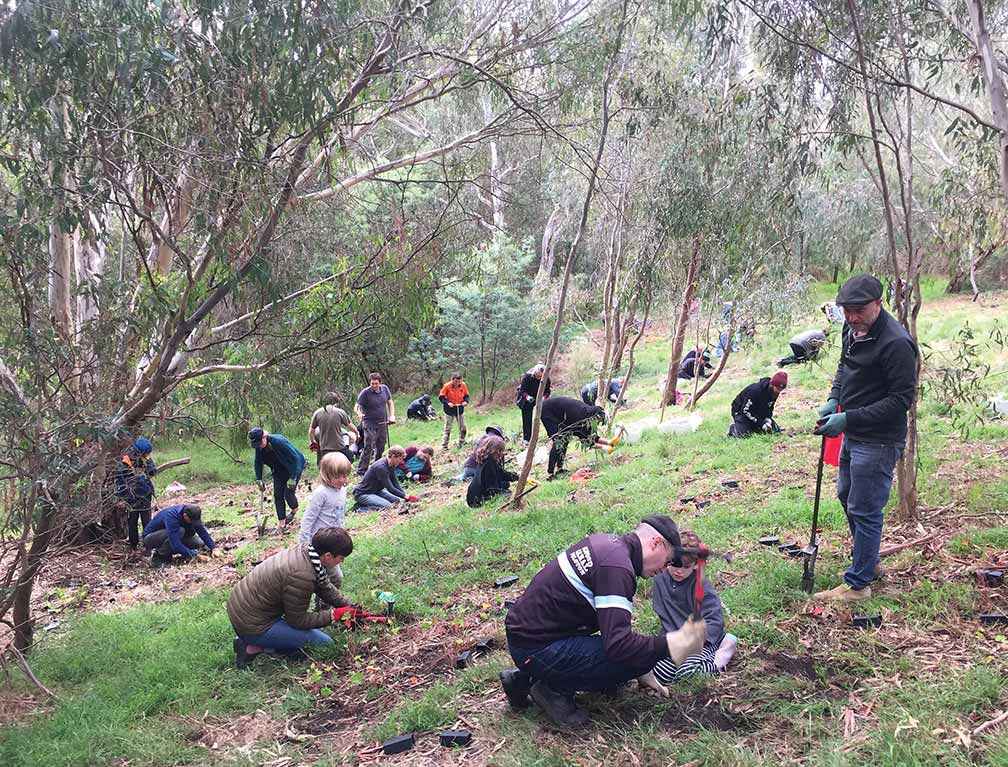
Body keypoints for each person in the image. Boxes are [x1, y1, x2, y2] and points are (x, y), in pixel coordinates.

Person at [499, 515, 706, 729]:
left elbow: (611, 627)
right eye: (668, 560)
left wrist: (641, 669)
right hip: (536, 647)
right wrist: (672, 645)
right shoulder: (617, 568)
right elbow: (619, 646)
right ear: (656, 543)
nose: (665, 568)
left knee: (633, 658)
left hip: (531, 639)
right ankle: (552, 689)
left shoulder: (607, 545)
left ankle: (523, 679)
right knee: (635, 656)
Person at [813, 274, 918, 603]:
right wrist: (834, 397)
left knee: (865, 507)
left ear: (878, 304)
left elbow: (901, 401)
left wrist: (848, 417)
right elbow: (844, 368)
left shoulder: (896, 343)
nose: (852, 317)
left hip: (879, 438)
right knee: (846, 495)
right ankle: (868, 561)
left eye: (858, 311)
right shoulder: (852, 328)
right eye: (847, 310)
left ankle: (858, 585)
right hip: (854, 431)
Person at [228, 527, 352, 669]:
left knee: (310, 639)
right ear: (328, 556)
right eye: (341, 558)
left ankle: (261, 642)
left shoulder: (308, 552)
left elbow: (324, 586)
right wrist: (333, 615)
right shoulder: (301, 575)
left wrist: (348, 605)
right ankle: (251, 645)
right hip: (252, 625)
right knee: (324, 644)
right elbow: (297, 620)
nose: (341, 562)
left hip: (248, 611)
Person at [646, 531, 737, 689]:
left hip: (701, 640)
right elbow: (664, 615)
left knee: (688, 672)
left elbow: (714, 620)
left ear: (696, 564)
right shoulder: (660, 579)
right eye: (674, 564)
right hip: (673, 639)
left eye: (686, 566)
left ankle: (724, 650)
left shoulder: (701, 587)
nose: (678, 571)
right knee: (658, 673)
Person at [299, 452, 352, 601]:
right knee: (331, 577)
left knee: (329, 577)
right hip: (320, 544)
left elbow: (339, 514)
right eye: (338, 476)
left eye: (345, 475)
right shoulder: (321, 493)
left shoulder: (342, 490)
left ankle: (324, 603)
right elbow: (308, 518)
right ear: (327, 475)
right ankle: (323, 605)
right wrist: (304, 542)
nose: (343, 480)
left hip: (333, 541)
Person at [539, 396, 609, 479]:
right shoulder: (581, 416)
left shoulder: (587, 413)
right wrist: (605, 447)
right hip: (547, 410)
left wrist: (609, 443)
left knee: (565, 438)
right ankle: (550, 473)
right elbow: (586, 439)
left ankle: (559, 469)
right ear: (594, 417)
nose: (597, 423)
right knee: (559, 440)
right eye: (598, 421)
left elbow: (589, 436)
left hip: (560, 413)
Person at [249, 427, 306, 526]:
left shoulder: (279, 442)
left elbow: (296, 459)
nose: (259, 446)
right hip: (278, 470)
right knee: (277, 495)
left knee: (288, 493)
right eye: (257, 445)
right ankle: (282, 522)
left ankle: (294, 509)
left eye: (260, 443)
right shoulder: (259, 447)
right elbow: (258, 462)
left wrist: (293, 477)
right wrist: (259, 479)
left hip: (292, 467)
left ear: (264, 437)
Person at [115, 436, 158, 553]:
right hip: (131, 498)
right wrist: (122, 498)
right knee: (132, 522)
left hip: (145, 496)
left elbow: (153, 471)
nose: (146, 456)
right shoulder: (124, 463)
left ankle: (148, 545)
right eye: (145, 454)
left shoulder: (145, 459)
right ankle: (133, 546)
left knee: (147, 522)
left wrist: (148, 464)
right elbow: (120, 482)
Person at [143, 503, 215, 566]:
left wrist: (213, 547)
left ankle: (181, 551)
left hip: (174, 535)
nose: (193, 522)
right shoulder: (171, 516)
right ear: (185, 516)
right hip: (150, 538)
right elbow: (175, 544)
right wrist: (195, 555)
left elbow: (201, 530)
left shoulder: (192, 513)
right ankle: (158, 557)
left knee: (199, 543)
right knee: (180, 531)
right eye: (191, 521)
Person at [352, 445, 417, 510]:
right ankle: (359, 508)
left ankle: (370, 502)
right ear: (393, 456)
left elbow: (395, 482)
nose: (400, 461)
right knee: (387, 506)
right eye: (400, 459)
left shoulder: (392, 464)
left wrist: (404, 495)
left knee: (397, 501)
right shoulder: (381, 467)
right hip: (363, 493)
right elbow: (390, 488)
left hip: (377, 491)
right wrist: (406, 496)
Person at [355, 372, 396, 474]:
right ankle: (362, 470)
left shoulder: (385, 389)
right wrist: (359, 413)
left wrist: (392, 415)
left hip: (383, 423)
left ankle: (377, 465)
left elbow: (390, 402)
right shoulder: (365, 393)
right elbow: (357, 406)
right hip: (369, 424)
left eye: (376, 383)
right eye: (372, 383)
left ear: (380, 383)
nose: (374, 385)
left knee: (381, 445)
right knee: (369, 446)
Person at [728, 371, 787, 438]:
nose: (778, 391)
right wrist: (761, 423)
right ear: (772, 384)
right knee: (744, 435)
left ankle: (756, 426)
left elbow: (770, 407)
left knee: (775, 431)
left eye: (781, 389)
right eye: (777, 388)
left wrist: (768, 419)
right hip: (741, 411)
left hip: (757, 411)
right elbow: (745, 411)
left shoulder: (774, 392)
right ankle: (734, 427)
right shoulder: (755, 390)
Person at [465, 435, 518, 507]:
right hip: (478, 499)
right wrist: (505, 492)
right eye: (500, 451)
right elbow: (490, 488)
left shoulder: (488, 460)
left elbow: (501, 474)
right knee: (507, 493)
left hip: (474, 496)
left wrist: (516, 477)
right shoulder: (488, 465)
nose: (502, 454)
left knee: (506, 484)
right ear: (494, 451)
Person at [308, 393, 358, 466]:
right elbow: (350, 426)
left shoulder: (317, 413)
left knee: (322, 462)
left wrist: (313, 442)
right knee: (351, 457)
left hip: (324, 449)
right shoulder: (340, 412)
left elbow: (311, 431)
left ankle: (320, 465)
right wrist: (357, 433)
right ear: (336, 402)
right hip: (339, 448)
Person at [515, 364, 551, 443]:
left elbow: (547, 391)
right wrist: (527, 397)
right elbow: (522, 390)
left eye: (540, 377)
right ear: (535, 373)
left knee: (546, 415)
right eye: (537, 376)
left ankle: (551, 434)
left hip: (540, 398)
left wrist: (544, 398)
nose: (539, 378)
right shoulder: (527, 377)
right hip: (527, 399)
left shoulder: (546, 379)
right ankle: (527, 438)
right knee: (527, 418)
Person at [438, 373, 470, 450]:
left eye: (459, 382)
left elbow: (466, 396)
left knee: (463, 427)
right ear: (452, 380)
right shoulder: (447, 386)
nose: (457, 383)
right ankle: (444, 446)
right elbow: (441, 397)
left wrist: (466, 401)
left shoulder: (463, 385)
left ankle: (462, 442)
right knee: (448, 428)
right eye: (455, 382)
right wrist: (448, 402)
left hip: (459, 408)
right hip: (449, 409)